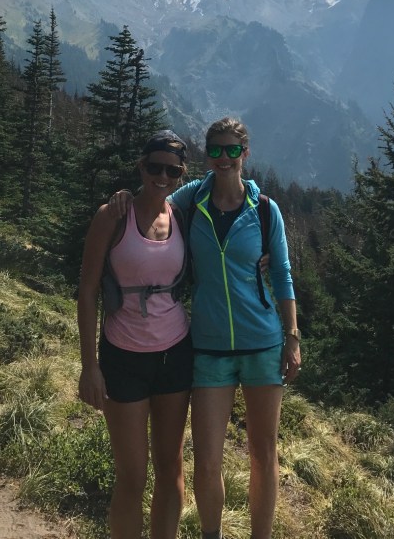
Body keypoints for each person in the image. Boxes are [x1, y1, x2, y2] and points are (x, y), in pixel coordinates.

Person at [112, 117, 300, 539]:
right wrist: (124, 197)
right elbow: (154, 198)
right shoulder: (189, 199)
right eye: (215, 149)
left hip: (263, 344)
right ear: (207, 154)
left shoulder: (266, 210)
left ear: (245, 154)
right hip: (209, 348)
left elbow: (284, 275)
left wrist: (292, 337)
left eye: (233, 150)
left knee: (262, 453)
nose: (224, 157)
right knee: (208, 459)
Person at [77, 130, 193, 539]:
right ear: (141, 167)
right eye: (154, 167)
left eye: (172, 170)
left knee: (171, 468)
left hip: (176, 355)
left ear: (181, 175)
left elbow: (226, 184)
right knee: (132, 478)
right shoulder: (112, 215)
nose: (162, 177)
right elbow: (87, 290)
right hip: (123, 358)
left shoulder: (181, 215)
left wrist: (263, 255)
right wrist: (89, 366)